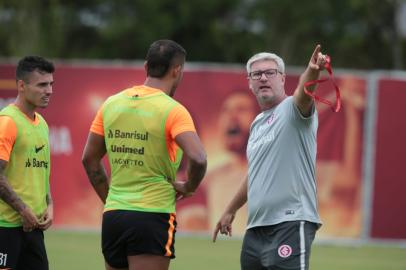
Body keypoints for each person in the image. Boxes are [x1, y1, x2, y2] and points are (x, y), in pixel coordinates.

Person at [82, 39, 207, 270]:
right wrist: (189, 186)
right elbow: (199, 158)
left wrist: (112, 200)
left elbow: (89, 160)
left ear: (146, 66)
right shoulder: (173, 110)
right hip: (152, 215)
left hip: (114, 216)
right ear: (177, 70)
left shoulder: (111, 104)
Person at [213, 44, 329, 270]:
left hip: (290, 222)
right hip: (256, 229)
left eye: (270, 73)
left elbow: (303, 94)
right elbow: (255, 173)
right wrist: (230, 209)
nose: (263, 78)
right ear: (250, 82)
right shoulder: (256, 123)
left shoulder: (292, 110)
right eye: (257, 74)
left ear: (283, 78)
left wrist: (313, 70)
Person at [0, 56, 54, 270]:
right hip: (5, 228)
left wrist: (50, 203)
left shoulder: (42, 123)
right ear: (21, 86)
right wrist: (23, 210)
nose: (49, 91)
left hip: (33, 229)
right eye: (42, 85)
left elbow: (40, 171)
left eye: (51, 84)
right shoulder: (7, 122)